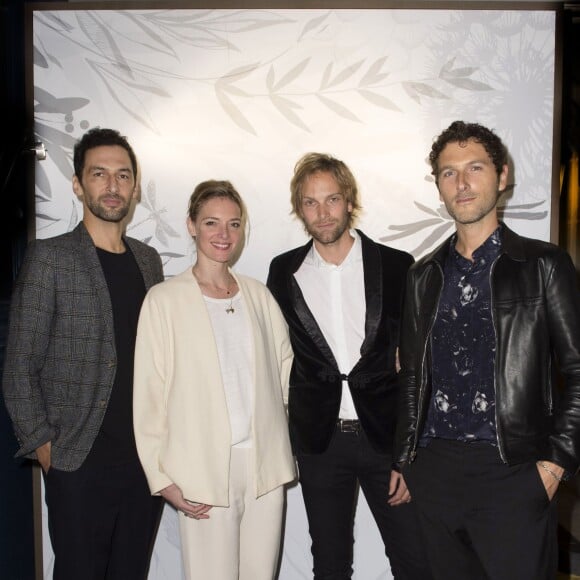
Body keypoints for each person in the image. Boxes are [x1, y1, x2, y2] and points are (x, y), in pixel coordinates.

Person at [395, 120, 580, 580]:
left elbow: (578, 369)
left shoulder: (544, 265)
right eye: (448, 172)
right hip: (434, 472)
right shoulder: (423, 276)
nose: (461, 182)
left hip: (513, 471)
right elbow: (414, 377)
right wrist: (405, 460)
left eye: (474, 167)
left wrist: (555, 465)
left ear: (501, 176)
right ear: (438, 186)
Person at [2, 128, 164, 579]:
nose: (112, 186)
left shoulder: (149, 261)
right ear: (78, 184)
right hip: (78, 459)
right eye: (99, 174)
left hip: (143, 461)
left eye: (123, 176)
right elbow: (19, 366)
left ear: (134, 186)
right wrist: (45, 445)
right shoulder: (49, 258)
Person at [267, 153, 432, 580]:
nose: (322, 213)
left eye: (332, 199)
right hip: (321, 442)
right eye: (310, 202)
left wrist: (410, 455)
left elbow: (418, 363)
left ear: (349, 200)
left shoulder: (397, 266)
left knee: (414, 559)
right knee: (330, 563)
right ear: (299, 208)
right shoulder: (284, 271)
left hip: (387, 440)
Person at [133, 179, 295, 580]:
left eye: (234, 224)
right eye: (211, 223)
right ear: (191, 225)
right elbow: (148, 393)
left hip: (264, 469)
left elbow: (286, 371)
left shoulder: (258, 295)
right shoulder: (163, 301)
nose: (224, 235)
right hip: (202, 470)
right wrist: (162, 477)